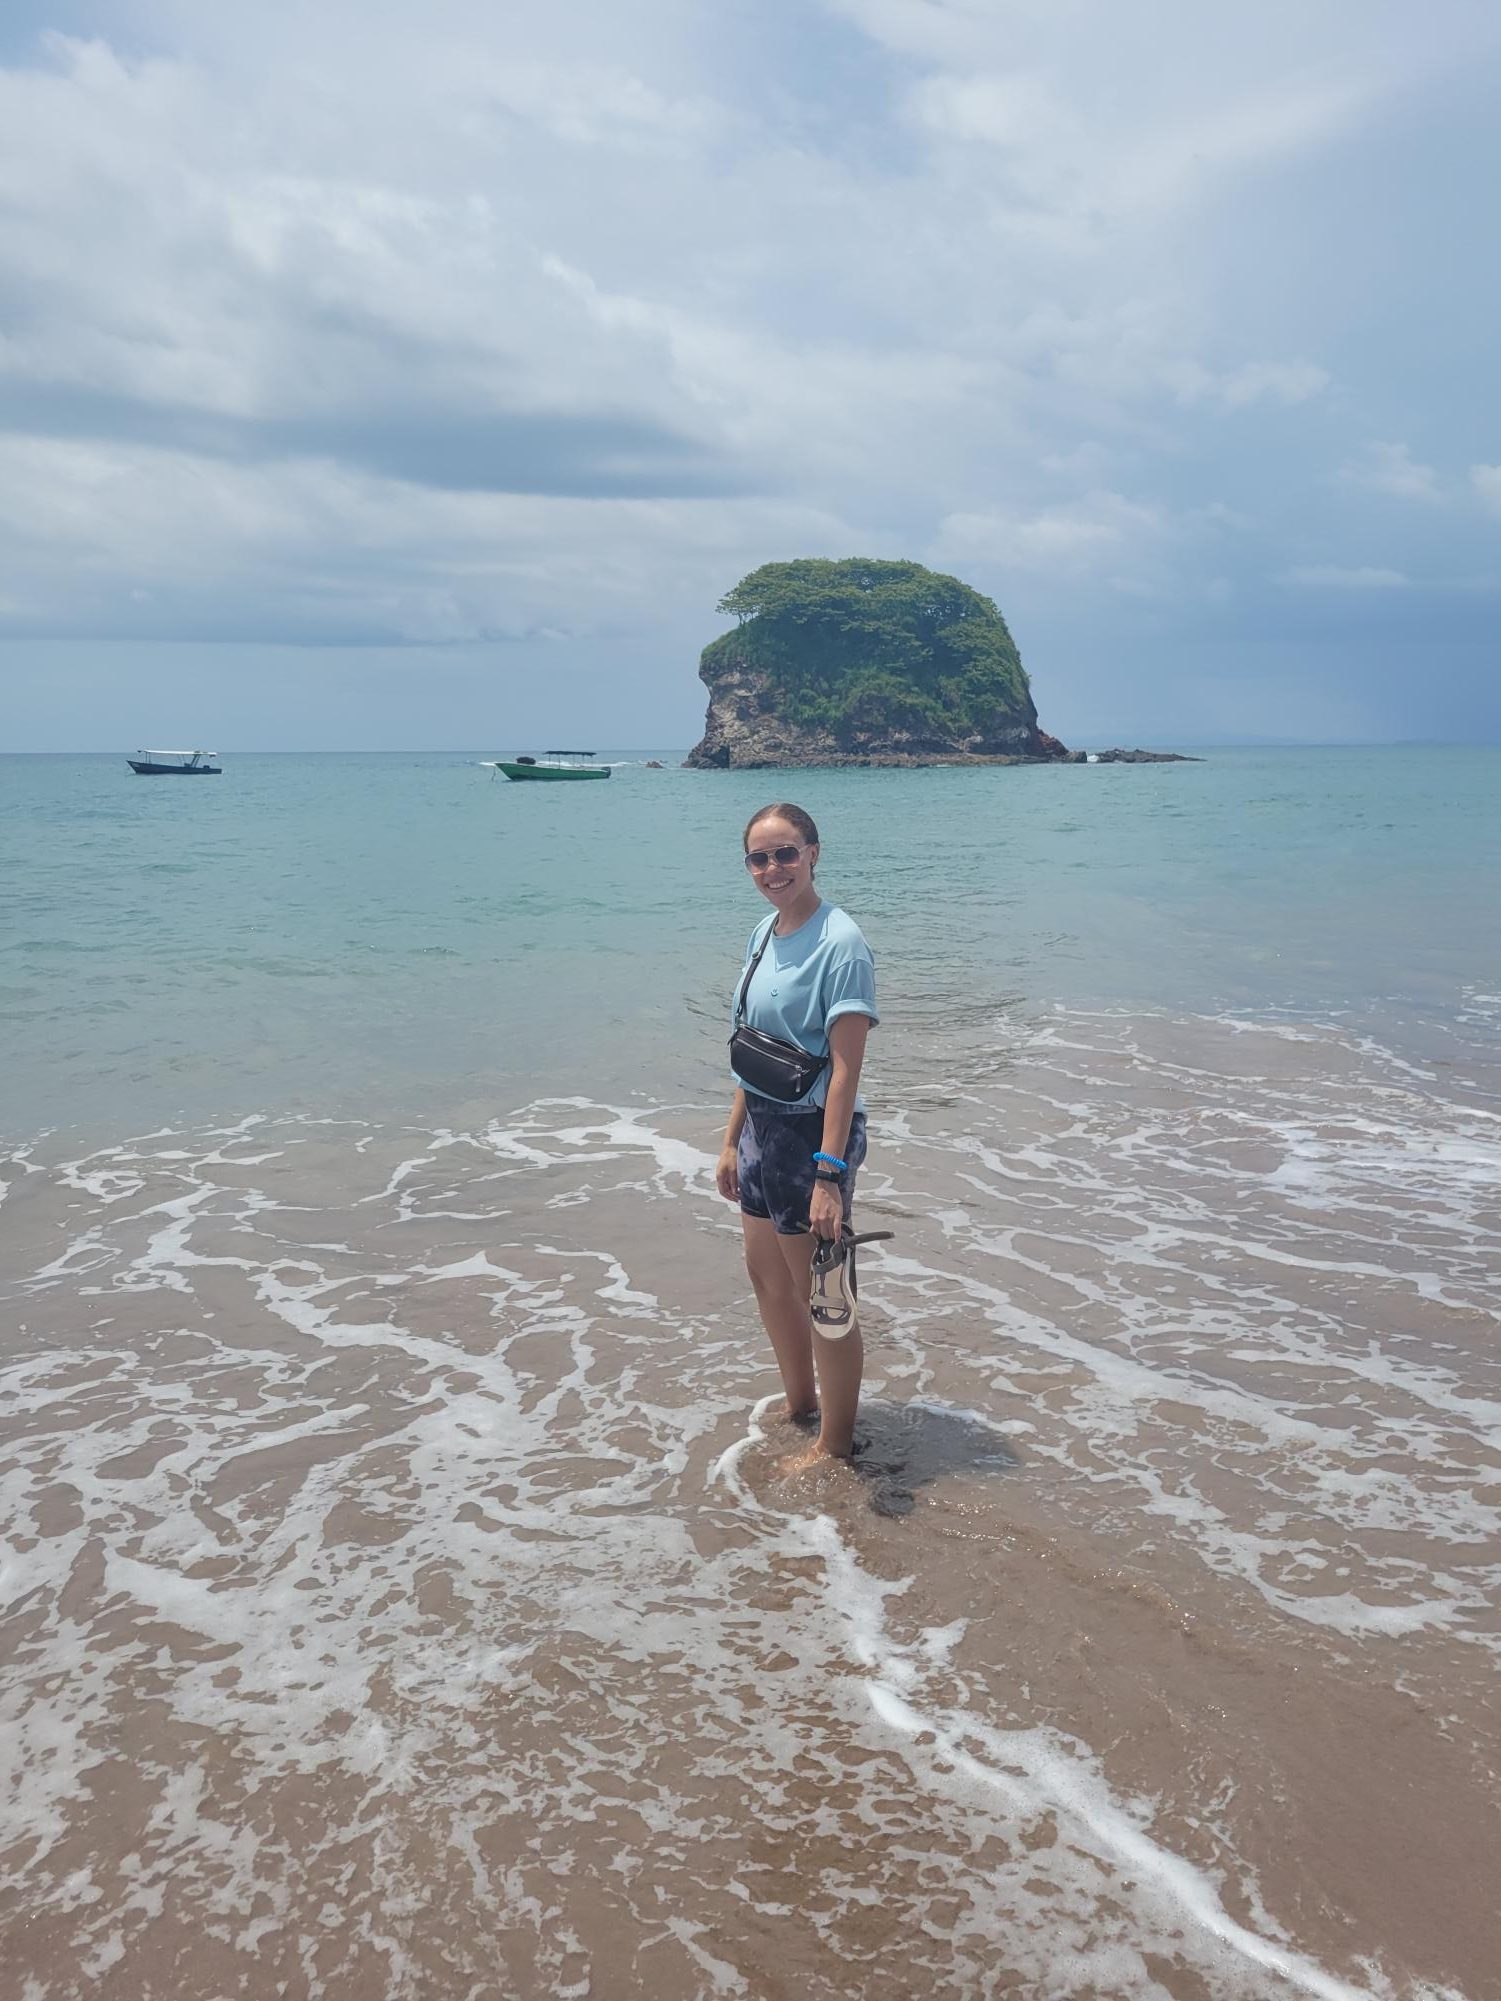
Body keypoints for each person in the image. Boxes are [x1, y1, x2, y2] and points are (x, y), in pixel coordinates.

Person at [715, 803, 878, 1469]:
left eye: (785, 853)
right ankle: (799, 1401)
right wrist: (730, 1140)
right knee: (767, 1278)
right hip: (760, 1127)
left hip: (813, 1133)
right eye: (758, 857)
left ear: (813, 852)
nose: (772, 868)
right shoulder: (766, 929)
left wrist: (827, 1174)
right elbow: (751, 1049)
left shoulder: (840, 943)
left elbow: (844, 1069)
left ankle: (834, 1443)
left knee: (824, 1297)